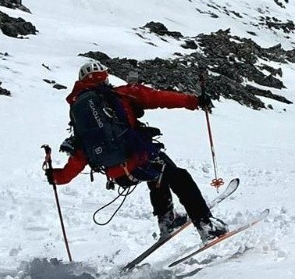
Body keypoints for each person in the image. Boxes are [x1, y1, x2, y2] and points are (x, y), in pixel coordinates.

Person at [44, 59, 226, 240]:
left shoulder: (80, 116)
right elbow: (158, 97)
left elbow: (81, 154)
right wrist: (193, 101)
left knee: (158, 174)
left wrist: (58, 176)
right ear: (104, 78)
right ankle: (206, 225)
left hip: (118, 175)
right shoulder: (120, 94)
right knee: (180, 177)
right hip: (137, 159)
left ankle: (167, 219)